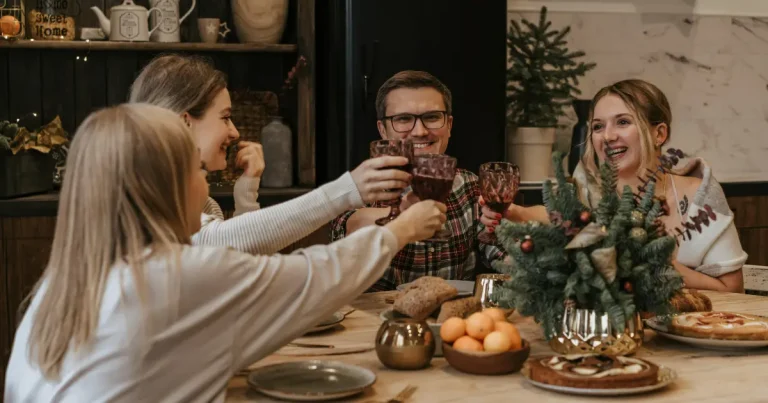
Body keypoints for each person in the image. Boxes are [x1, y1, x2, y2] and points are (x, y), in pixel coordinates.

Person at [4, 104, 447, 402]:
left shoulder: (63, 285)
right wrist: (402, 230)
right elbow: (318, 276)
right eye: (198, 170)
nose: (205, 184)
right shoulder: (175, 275)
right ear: (166, 186)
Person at [482, 79, 747, 293]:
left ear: (659, 133)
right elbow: (558, 216)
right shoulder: (588, 191)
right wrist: (514, 213)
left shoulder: (699, 195)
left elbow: (732, 289)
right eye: (598, 126)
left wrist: (659, 266)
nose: (607, 136)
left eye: (623, 122)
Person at [129, 54, 411, 255]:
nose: (234, 132)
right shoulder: (141, 198)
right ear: (184, 122)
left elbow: (240, 265)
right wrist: (347, 190)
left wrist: (246, 194)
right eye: (225, 117)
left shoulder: (205, 204)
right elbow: (215, 243)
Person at [330, 70, 506, 291]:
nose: (420, 131)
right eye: (403, 119)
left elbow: (500, 253)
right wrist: (402, 214)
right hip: (376, 312)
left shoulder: (471, 185)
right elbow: (348, 227)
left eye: (432, 117)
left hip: (453, 310)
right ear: (383, 130)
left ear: (449, 125)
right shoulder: (362, 185)